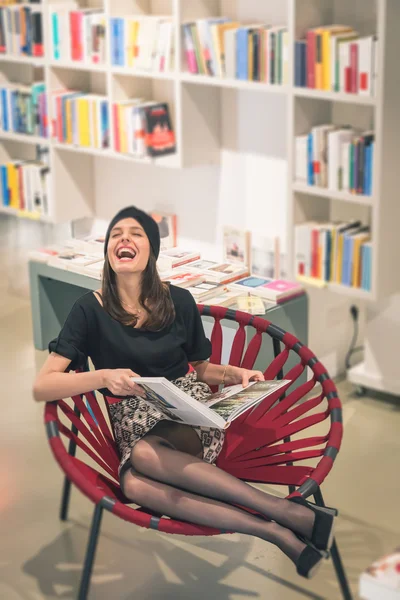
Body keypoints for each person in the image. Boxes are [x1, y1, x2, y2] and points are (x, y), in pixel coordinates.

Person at [33, 206, 336, 579]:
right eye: (115, 234)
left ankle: (287, 514)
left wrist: (238, 374)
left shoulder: (178, 300)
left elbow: (203, 368)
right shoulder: (88, 310)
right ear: (108, 251)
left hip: (189, 413)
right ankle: (277, 526)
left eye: (136, 233)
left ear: (152, 252)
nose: (123, 239)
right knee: (133, 483)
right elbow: (44, 384)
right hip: (133, 417)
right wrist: (102, 377)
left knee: (142, 457)